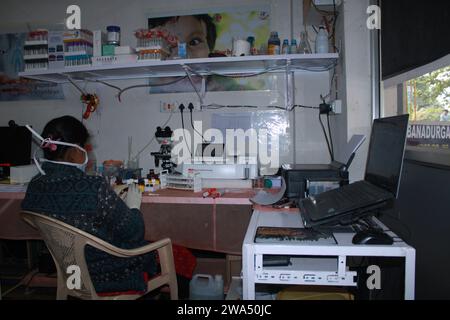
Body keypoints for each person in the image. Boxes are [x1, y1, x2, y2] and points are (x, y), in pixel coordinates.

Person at [21, 116, 195, 296]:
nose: (87, 152)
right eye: (85, 147)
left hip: (71, 271)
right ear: (74, 150)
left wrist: (109, 201)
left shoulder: (35, 185)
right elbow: (134, 233)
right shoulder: (92, 186)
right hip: (108, 272)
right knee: (181, 255)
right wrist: (133, 206)